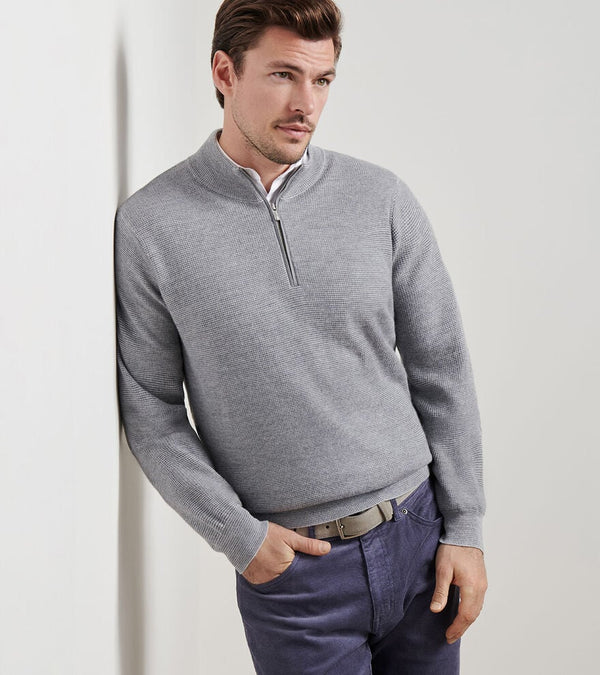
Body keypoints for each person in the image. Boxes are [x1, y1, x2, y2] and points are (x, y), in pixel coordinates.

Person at [114, 0, 488, 672]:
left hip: (420, 545)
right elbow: (152, 411)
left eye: (322, 80)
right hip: (295, 578)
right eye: (284, 75)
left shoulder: (381, 198)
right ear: (224, 72)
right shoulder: (152, 226)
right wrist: (240, 537)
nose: (305, 105)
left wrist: (465, 527)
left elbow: (442, 366)